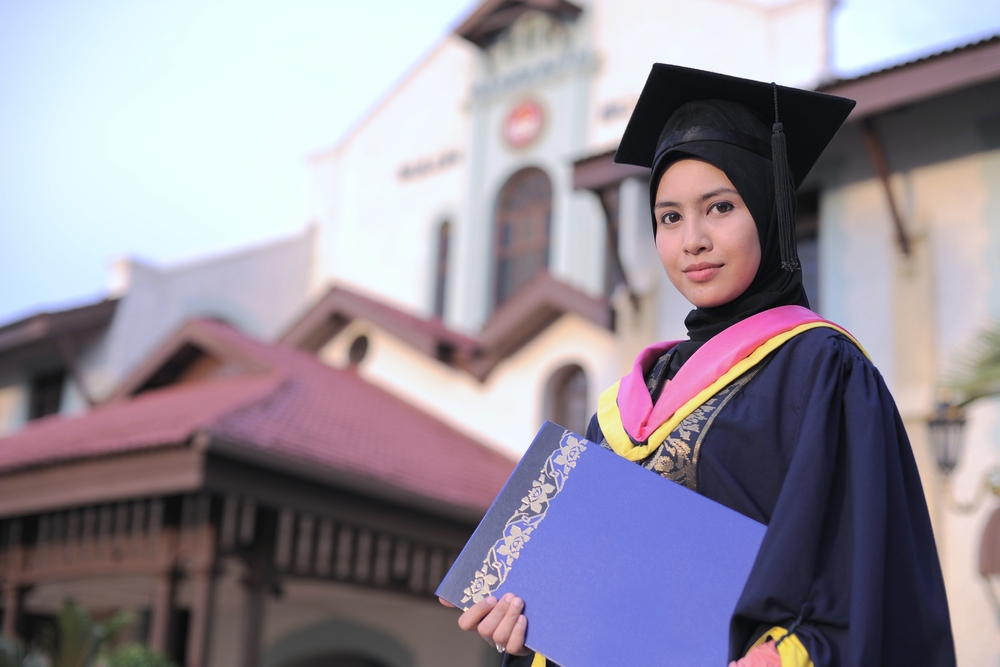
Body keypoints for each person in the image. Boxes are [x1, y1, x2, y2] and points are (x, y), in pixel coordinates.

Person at [447, 64, 956, 667]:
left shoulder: (822, 369)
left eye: (719, 207)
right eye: (669, 217)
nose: (692, 239)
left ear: (769, 211)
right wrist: (531, 629)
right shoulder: (623, 407)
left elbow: (861, 584)